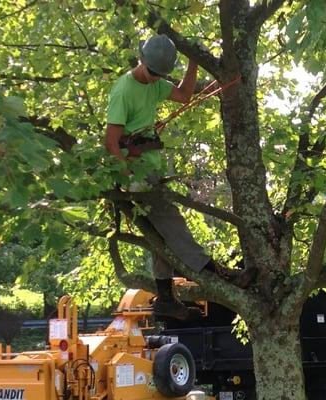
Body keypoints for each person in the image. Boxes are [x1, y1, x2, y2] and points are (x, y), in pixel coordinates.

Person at [104, 34, 256, 320]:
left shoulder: (156, 82)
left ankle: (165, 297)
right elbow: (111, 142)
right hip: (136, 174)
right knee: (173, 221)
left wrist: (193, 61)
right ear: (142, 60)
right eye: (152, 73)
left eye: (160, 75)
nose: (154, 79)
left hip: (150, 166)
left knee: (161, 238)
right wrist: (128, 178)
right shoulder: (124, 90)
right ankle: (215, 270)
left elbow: (184, 95)